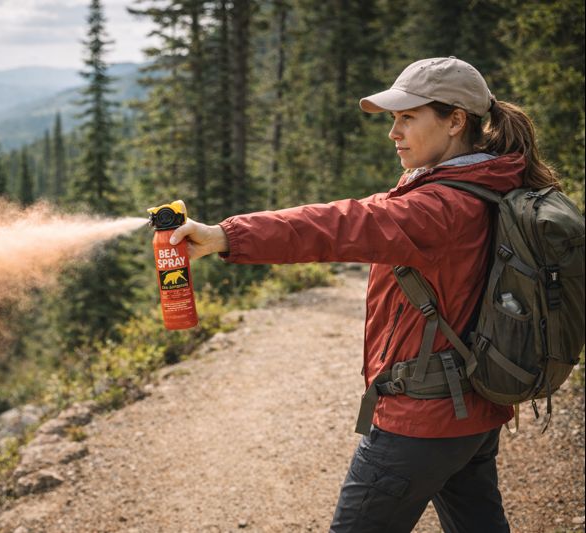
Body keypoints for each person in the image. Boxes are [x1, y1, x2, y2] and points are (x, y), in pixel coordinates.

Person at [169, 57, 562, 532]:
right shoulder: (486, 182)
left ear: (456, 120)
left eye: (407, 118)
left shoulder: (440, 207)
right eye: (393, 119)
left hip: (422, 421)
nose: (393, 133)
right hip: (470, 412)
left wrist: (226, 236)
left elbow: (340, 224)